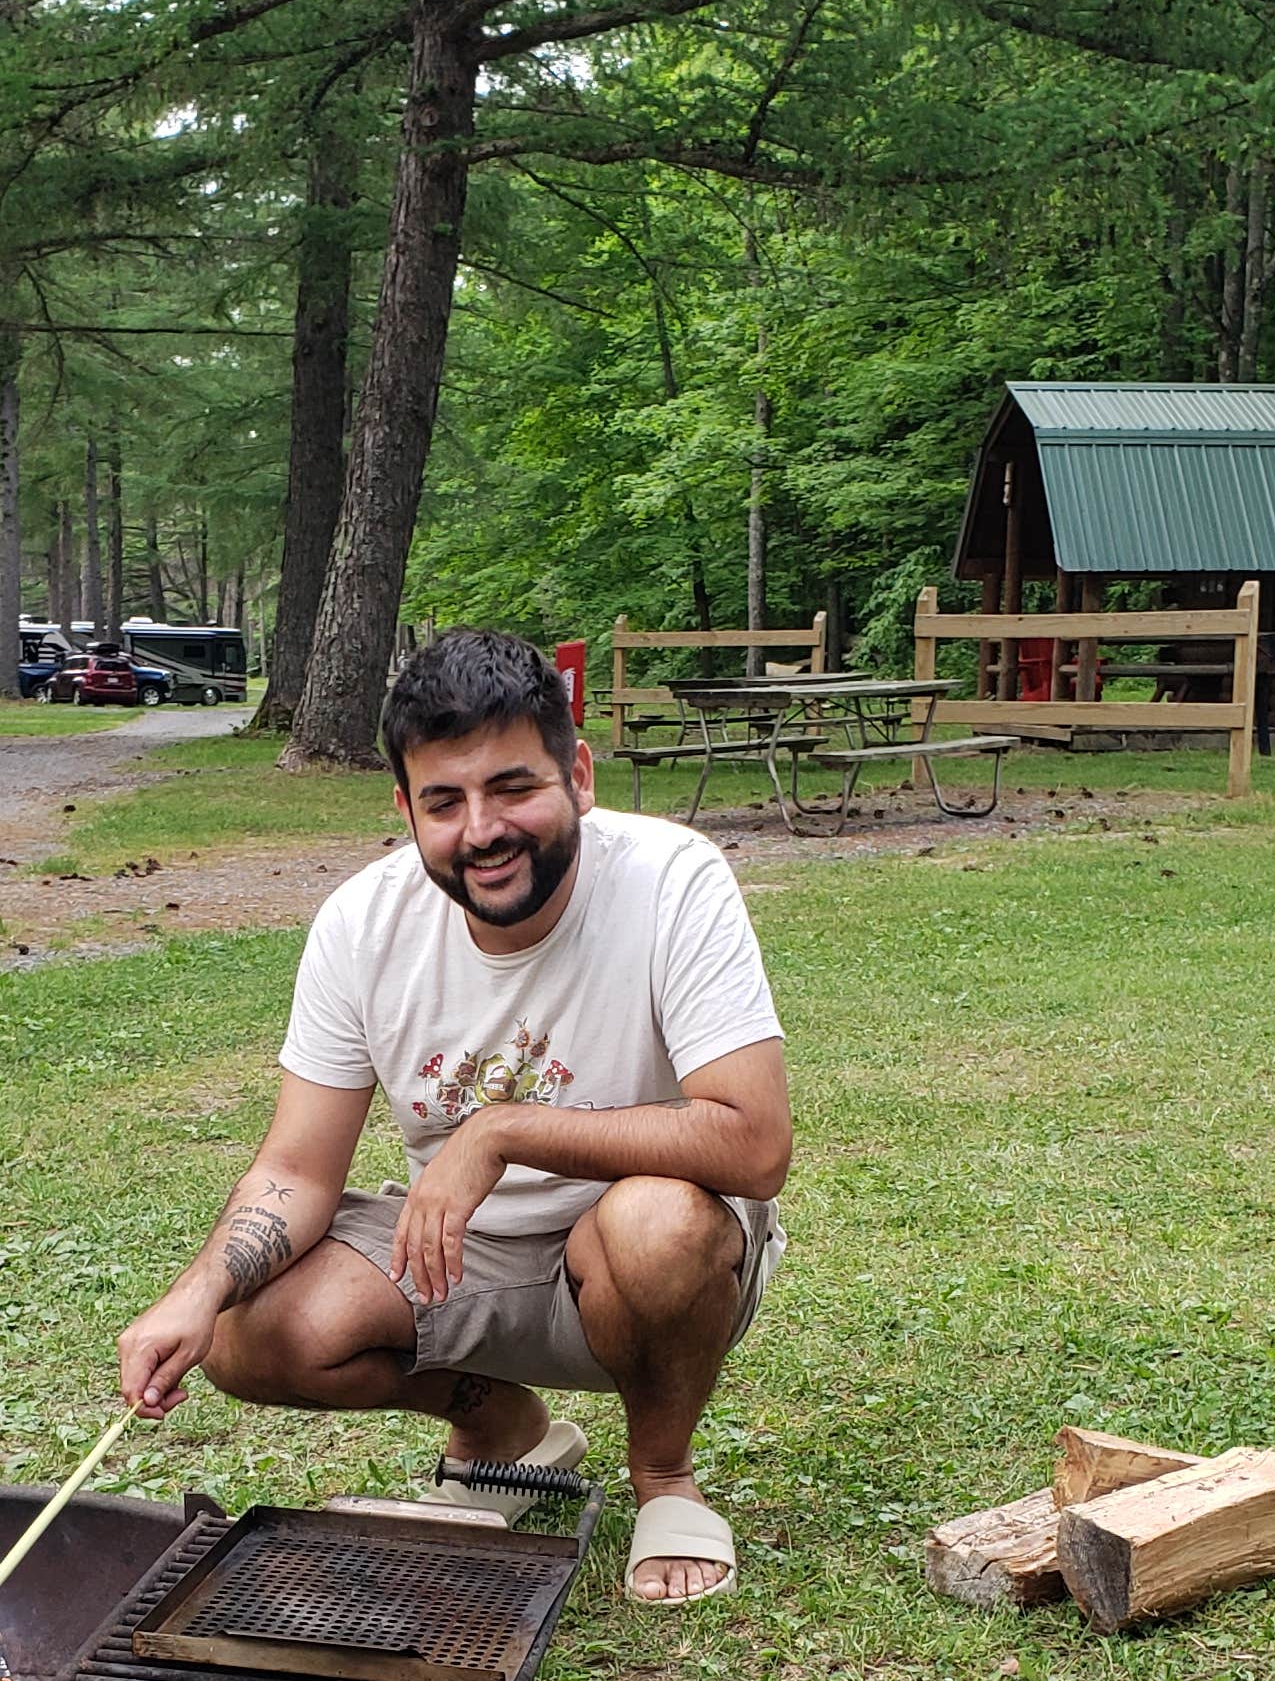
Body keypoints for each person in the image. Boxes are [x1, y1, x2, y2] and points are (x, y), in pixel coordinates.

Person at [116, 627, 791, 1603]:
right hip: (459, 1255)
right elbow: (298, 1171)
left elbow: (754, 1142)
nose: (482, 829)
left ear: (580, 776)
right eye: (445, 801)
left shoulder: (673, 879)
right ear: (406, 809)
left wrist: (502, 1129)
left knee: (654, 1223)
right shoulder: (362, 923)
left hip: (649, 1252)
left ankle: (664, 1480)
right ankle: (504, 1430)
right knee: (247, 1329)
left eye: (512, 786)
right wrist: (196, 1289)